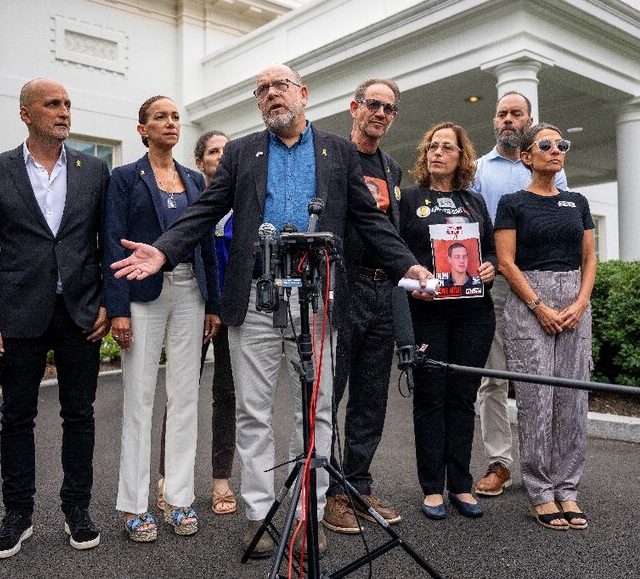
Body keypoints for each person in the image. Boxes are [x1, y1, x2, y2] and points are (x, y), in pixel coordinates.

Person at [108, 64, 433, 558]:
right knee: (253, 412)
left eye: (280, 86)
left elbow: (370, 221)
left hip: (320, 298)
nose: (271, 95)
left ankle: (307, 514)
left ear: (302, 93)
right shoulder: (241, 152)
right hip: (256, 299)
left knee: (315, 412)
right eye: (262, 90)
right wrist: (163, 250)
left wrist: (411, 268)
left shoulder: (338, 152)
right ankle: (260, 516)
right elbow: (204, 211)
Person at [0, 78, 110, 559]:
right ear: (26, 113)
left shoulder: (94, 169)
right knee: (16, 418)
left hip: (80, 313)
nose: (64, 111)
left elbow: (105, 243)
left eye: (68, 103)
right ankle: (17, 514)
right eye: (52, 104)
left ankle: (77, 509)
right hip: (17, 315)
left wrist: (109, 302)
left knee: (80, 415)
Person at [103, 96, 220, 542]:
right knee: (140, 397)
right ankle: (135, 505)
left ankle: (179, 498)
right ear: (142, 129)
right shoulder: (123, 178)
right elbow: (112, 245)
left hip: (191, 290)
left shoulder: (194, 180)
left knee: (185, 397)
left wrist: (212, 303)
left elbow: (205, 241)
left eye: (174, 117)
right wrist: (117, 310)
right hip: (141, 294)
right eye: (160, 117)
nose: (170, 123)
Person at [494, 123, 596, 531]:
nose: (556, 150)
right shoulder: (512, 202)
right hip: (528, 302)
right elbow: (505, 262)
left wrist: (580, 302)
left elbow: (590, 258)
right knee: (538, 398)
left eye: (562, 145)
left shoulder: (578, 201)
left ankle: (567, 489)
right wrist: (538, 305)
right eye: (546, 144)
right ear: (526, 156)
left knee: (573, 399)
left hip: (575, 302)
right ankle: (539, 490)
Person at [472, 92, 568, 497]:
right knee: (492, 379)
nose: (508, 119)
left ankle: (540, 463)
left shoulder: (553, 168)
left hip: (540, 283)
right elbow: (470, 223)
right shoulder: (478, 170)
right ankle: (499, 463)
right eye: (502, 114)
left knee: (540, 378)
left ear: (530, 120)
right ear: (494, 120)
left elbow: (562, 219)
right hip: (494, 282)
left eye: (516, 114)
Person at [398, 122, 497, 520]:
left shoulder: (474, 202)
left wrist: (489, 267)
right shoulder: (408, 200)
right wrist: (413, 277)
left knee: (462, 398)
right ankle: (431, 488)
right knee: (430, 397)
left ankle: (459, 483)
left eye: (447, 147)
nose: (437, 152)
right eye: (432, 146)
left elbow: (489, 251)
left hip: (474, 314)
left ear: (461, 156)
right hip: (428, 313)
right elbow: (397, 253)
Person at [324, 79, 404, 535]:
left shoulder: (391, 168)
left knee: (371, 398)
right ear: (354, 107)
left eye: (388, 108)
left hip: (383, 291)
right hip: (344, 286)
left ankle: (357, 484)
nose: (379, 113)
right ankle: (330, 491)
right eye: (372, 104)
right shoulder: (333, 156)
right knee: (330, 394)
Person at [156, 130, 238, 516]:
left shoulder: (246, 198)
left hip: (236, 307)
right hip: (198, 303)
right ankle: (166, 477)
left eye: (227, 150)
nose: (221, 157)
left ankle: (220, 479)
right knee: (181, 390)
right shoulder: (191, 197)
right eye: (213, 151)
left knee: (228, 394)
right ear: (201, 159)